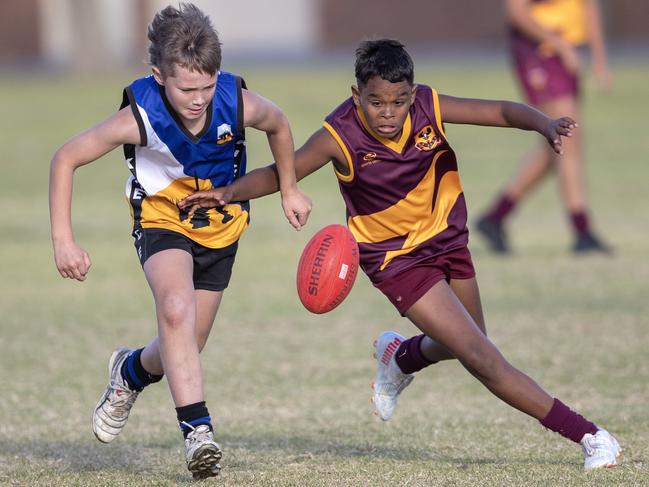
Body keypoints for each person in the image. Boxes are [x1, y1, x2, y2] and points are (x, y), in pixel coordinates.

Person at [178, 39, 621, 470]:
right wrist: (229, 193)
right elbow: (282, 171)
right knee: (483, 358)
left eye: (398, 101)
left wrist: (542, 123)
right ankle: (590, 436)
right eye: (376, 102)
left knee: (469, 343)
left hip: (449, 241)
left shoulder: (429, 106)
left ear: (412, 93)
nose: (388, 113)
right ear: (358, 95)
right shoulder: (339, 134)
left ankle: (401, 357)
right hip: (396, 263)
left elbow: (500, 110)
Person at [49, 3, 311, 480]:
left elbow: (279, 124)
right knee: (175, 309)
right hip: (161, 218)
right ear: (158, 75)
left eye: (207, 87)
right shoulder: (139, 114)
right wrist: (63, 240)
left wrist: (289, 189)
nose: (198, 99)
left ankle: (129, 372)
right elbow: (65, 158)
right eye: (187, 89)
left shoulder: (235, 100)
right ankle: (198, 433)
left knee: (185, 342)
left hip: (221, 226)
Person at [476, 0, 612, 254]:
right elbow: (516, 11)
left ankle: (495, 218)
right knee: (567, 136)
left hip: (566, 50)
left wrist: (599, 58)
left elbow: (589, 7)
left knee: (556, 147)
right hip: (539, 49)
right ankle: (582, 232)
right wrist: (558, 43)